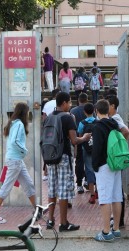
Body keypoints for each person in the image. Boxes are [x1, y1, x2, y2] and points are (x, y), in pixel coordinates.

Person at [46, 92, 91, 232]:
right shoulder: (68, 118)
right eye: (69, 103)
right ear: (64, 103)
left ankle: (50, 220)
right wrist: (84, 138)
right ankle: (64, 223)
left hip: (50, 156)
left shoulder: (48, 117)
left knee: (52, 189)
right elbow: (74, 140)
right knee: (64, 190)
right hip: (64, 156)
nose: (70, 105)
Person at [0, 102, 36, 224]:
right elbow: (14, 142)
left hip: (15, 159)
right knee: (7, 186)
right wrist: (24, 151)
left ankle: (37, 210)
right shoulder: (19, 124)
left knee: (28, 184)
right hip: (15, 160)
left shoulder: (12, 124)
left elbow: (12, 141)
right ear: (24, 112)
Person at [92, 99, 122, 242]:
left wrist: (94, 165)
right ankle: (115, 229)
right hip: (115, 163)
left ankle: (106, 232)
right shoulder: (114, 124)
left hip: (104, 165)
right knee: (116, 197)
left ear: (97, 111)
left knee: (104, 198)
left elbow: (97, 148)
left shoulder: (98, 126)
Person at [106, 95, 129, 228]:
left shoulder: (115, 118)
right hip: (115, 159)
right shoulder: (113, 118)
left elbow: (127, 131)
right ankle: (117, 219)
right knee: (117, 190)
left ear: (113, 106)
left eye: (108, 105)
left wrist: (121, 147)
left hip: (116, 159)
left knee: (117, 191)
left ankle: (119, 220)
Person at [77, 103, 97, 204]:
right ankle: (98, 191)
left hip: (86, 149)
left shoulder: (82, 123)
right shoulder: (98, 122)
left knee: (89, 169)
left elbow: (80, 136)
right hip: (97, 149)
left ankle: (92, 194)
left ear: (84, 112)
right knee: (98, 169)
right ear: (94, 110)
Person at [70, 93, 88, 194]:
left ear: (78, 100)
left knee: (79, 162)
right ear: (87, 99)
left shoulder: (73, 111)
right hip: (88, 139)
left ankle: (79, 184)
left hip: (76, 138)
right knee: (88, 161)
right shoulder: (90, 109)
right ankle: (87, 180)